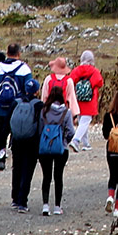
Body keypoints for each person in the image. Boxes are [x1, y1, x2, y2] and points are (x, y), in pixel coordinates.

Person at [0, 45, 35, 172]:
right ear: (19, 53)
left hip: (1, 107)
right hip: (18, 107)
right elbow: (29, 88)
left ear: (7, 53)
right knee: (17, 133)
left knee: (2, 133)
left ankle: (1, 158)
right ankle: (17, 159)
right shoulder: (24, 69)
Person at [7, 64, 43, 213]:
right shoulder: (38, 105)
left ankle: (15, 199)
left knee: (17, 168)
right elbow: (41, 125)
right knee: (27, 171)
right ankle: (23, 201)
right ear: (37, 91)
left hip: (16, 140)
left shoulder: (16, 102)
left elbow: (8, 122)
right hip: (32, 142)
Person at [36, 83, 76, 215]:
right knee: (58, 177)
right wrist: (64, 140)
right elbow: (71, 131)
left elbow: (40, 129)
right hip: (61, 148)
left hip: (45, 148)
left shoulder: (44, 111)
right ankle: (57, 206)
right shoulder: (67, 112)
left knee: (46, 176)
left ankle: (45, 205)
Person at [69, 50, 106, 150]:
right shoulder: (94, 71)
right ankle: (76, 140)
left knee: (82, 120)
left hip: (78, 100)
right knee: (86, 121)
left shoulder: (76, 70)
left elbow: (70, 81)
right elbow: (100, 83)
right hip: (90, 100)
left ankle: (86, 143)